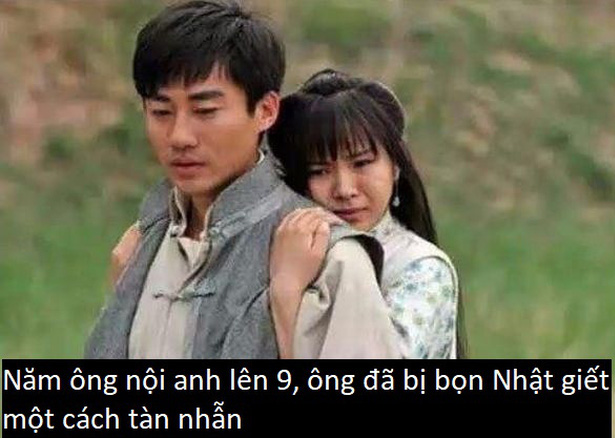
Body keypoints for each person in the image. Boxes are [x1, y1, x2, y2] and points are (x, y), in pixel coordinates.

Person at [84, 0, 402, 359]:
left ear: (266, 110)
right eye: (161, 112)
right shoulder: (143, 247)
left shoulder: (330, 258)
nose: (179, 136)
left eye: (205, 111)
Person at [267, 69, 464, 359]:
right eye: (319, 171)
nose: (344, 189)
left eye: (361, 163)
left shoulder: (420, 269)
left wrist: (287, 291)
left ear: (395, 166)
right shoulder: (282, 247)